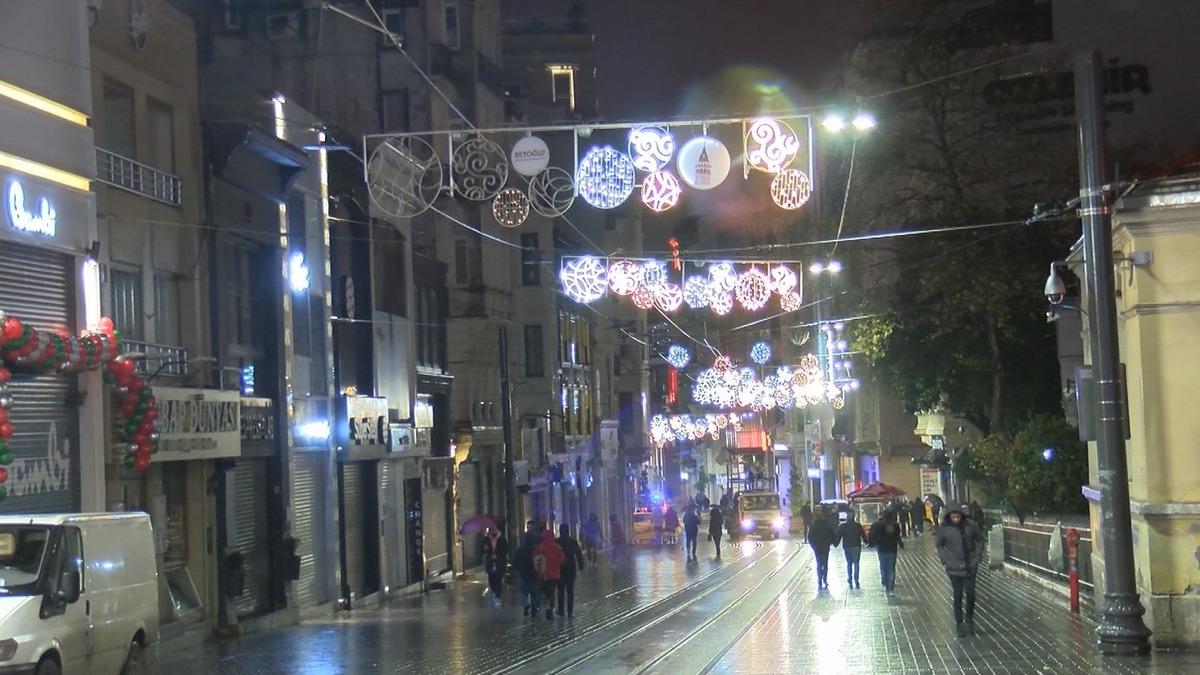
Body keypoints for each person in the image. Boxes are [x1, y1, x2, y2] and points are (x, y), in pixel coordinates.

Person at [936, 505, 985, 637]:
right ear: (949, 517)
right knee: (957, 595)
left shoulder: (971, 525)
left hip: (969, 566)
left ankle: (969, 621)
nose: (956, 519)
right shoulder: (944, 529)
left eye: (958, 516)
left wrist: (977, 556)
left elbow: (980, 540)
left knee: (970, 593)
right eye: (953, 517)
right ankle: (959, 624)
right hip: (953, 567)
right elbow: (939, 544)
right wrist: (945, 558)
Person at [868, 509, 904, 593]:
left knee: (883, 566)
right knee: (891, 568)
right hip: (892, 549)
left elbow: (872, 535)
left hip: (882, 549)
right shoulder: (895, 525)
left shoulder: (877, 525)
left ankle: (884, 580)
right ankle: (890, 587)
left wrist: (873, 543)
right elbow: (897, 536)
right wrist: (901, 544)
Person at [533, 530, 566, 620]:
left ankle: (540, 606)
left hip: (542, 574)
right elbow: (562, 560)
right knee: (551, 592)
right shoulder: (557, 548)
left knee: (543, 592)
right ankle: (550, 608)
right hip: (553, 575)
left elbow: (534, 559)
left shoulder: (539, 547)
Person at [556, 524, 585, 617]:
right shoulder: (572, 541)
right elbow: (578, 553)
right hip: (570, 568)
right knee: (570, 591)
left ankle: (561, 610)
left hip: (560, 568)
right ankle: (569, 611)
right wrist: (581, 565)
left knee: (560, 590)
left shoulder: (557, 542)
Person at [835, 512, 867, 588]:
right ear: (854, 518)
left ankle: (850, 578)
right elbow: (863, 534)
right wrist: (866, 542)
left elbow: (839, 536)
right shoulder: (858, 526)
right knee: (856, 564)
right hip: (856, 546)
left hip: (847, 547)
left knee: (849, 563)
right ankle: (856, 580)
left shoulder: (843, 526)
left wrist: (835, 543)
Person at [512, 531, 540, 617]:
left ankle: (526, 604)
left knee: (524, 592)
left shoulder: (519, 550)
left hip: (523, 574)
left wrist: (516, 570)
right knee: (534, 592)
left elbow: (515, 561)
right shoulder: (536, 550)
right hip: (534, 574)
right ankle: (534, 608)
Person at [808, 507, 836, 589]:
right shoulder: (826, 524)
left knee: (819, 564)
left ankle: (820, 580)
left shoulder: (813, 525)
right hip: (825, 547)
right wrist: (833, 542)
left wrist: (813, 546)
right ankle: (824, 579)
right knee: (825, 564)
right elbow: (832, 534)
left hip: (818, 548)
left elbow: (810, 537)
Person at [481, 525, 509, 607]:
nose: (493, 531)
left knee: (498, 579)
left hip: (499, 563)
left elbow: (506, 549)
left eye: (494, 530)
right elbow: (482, 550)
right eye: (491, 530)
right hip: (490, 562)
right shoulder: (486, 540)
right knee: (491, 579)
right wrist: (485, 549)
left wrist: (498, 555)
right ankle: (494, 592)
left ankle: (497, 595)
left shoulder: (502, 539)